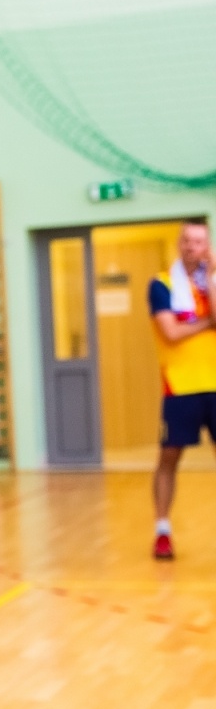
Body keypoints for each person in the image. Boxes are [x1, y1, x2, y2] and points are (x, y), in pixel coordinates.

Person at [148, 219, 215, 560]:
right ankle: (162, 530)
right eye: (187, 241)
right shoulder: (161, 285)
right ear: (179, 244)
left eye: (200, 242)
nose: (193, 247)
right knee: (169, 459)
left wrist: (213, 277)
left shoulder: (212, 282)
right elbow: (171, 334)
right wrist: (206, 324)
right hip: (180, 387)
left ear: (208, 247)